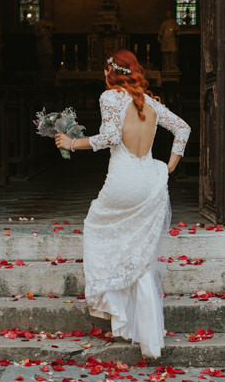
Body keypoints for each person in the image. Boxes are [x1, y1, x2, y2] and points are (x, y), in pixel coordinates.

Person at [54, 49, 190, 359]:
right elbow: (183, 128)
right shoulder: (151, 103)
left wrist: (72, 143)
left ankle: (119, 314)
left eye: (105, 70)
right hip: (151, 181)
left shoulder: (110, 97)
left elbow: (111, 136)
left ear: (112, 73)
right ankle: (143, 334)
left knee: (95, 229)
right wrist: (168, 165)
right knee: (139, 256)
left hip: (123, 181)